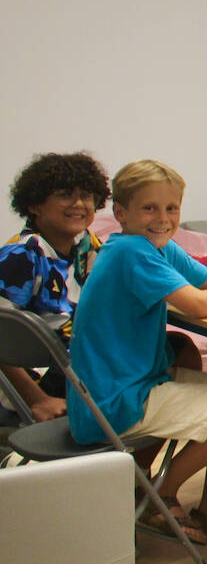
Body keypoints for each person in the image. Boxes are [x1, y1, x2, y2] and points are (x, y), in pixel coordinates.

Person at [68, 159, 207, 547]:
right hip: (114, 401)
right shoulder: (132, 252)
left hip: (116, 388)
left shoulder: (151, 247)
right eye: (149, 208)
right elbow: (198, 305)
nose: (163, 218)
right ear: (120, 213)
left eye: (171, 208)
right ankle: (158, 494)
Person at [1, 152, 111, 421]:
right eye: (65, 194)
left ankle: (126, 461)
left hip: (75, 367)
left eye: (86, 195)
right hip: (32, 384)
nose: (79, 204)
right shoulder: (22, 255)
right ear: (35, 205)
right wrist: (38, 400)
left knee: (177, 350)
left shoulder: (87, 246)